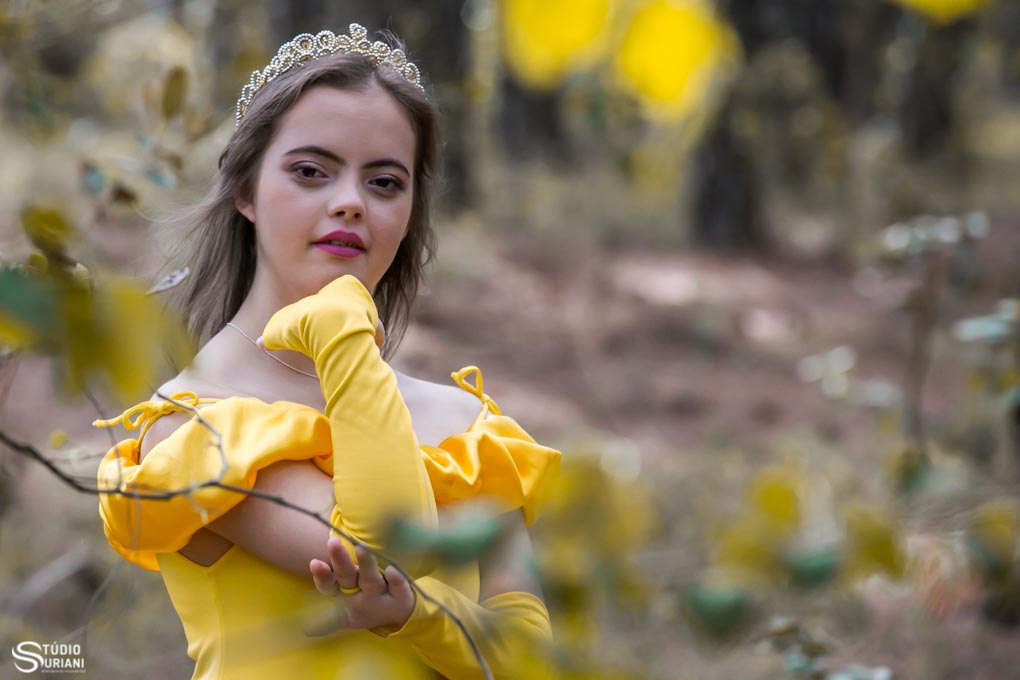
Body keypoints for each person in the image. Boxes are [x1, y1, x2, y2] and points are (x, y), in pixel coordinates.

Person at [94, 23, 561, 680]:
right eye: (311, 171)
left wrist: (419, 617)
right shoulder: (195, 425)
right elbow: (381, 552)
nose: (350, 204)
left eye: (385, 183)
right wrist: (343, 328)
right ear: (246, 191)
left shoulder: (468, 429)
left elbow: (530, 662)